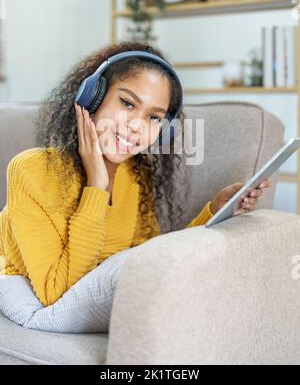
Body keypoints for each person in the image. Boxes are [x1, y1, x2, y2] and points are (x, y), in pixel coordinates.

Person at [0, 41, 271, 333]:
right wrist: (97, 186)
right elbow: (57, 294)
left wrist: (215, 210)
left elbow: (149, 258)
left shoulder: (134, 176)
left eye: (153, 118)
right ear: (92, 97)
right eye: (127, 103)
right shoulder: (31, 169)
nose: (136, 126)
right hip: (24, 284)